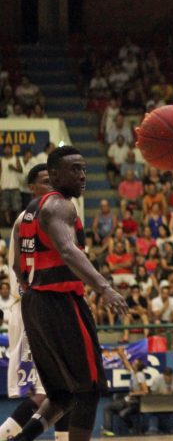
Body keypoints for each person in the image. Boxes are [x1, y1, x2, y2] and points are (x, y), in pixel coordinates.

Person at [12, 146, 128, 441]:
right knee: (89, 389)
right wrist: (104, 288)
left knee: (61, 395)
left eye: (84, 169)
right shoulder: (60, 206)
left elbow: (17, 266)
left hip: (34, 303)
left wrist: (33, 295)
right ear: (54, 175)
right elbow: (67, 250)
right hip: (60, 301)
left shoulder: (28, 213)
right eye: (74, 169)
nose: (82, 175)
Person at [0, 164, 70, 441]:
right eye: (45, 181)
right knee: (47, 393)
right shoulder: (30, 219)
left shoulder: (51, 217)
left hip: (47, 309)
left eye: (54, 180)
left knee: (67, 389)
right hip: (34, 309)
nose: (52, 185)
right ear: (32, 188)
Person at [101, 349, 147, 436]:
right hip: (128, 400)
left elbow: (145, 391)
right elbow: (127, 364)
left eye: (135, 363)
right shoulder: (134, 373)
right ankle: (108, 429)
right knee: (109, 408)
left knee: (108, 408)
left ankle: (109, 429)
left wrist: (133, 394)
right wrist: (122, 354)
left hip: (134, 402)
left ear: (138, 366)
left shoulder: (140, 375)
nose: (132, 363)